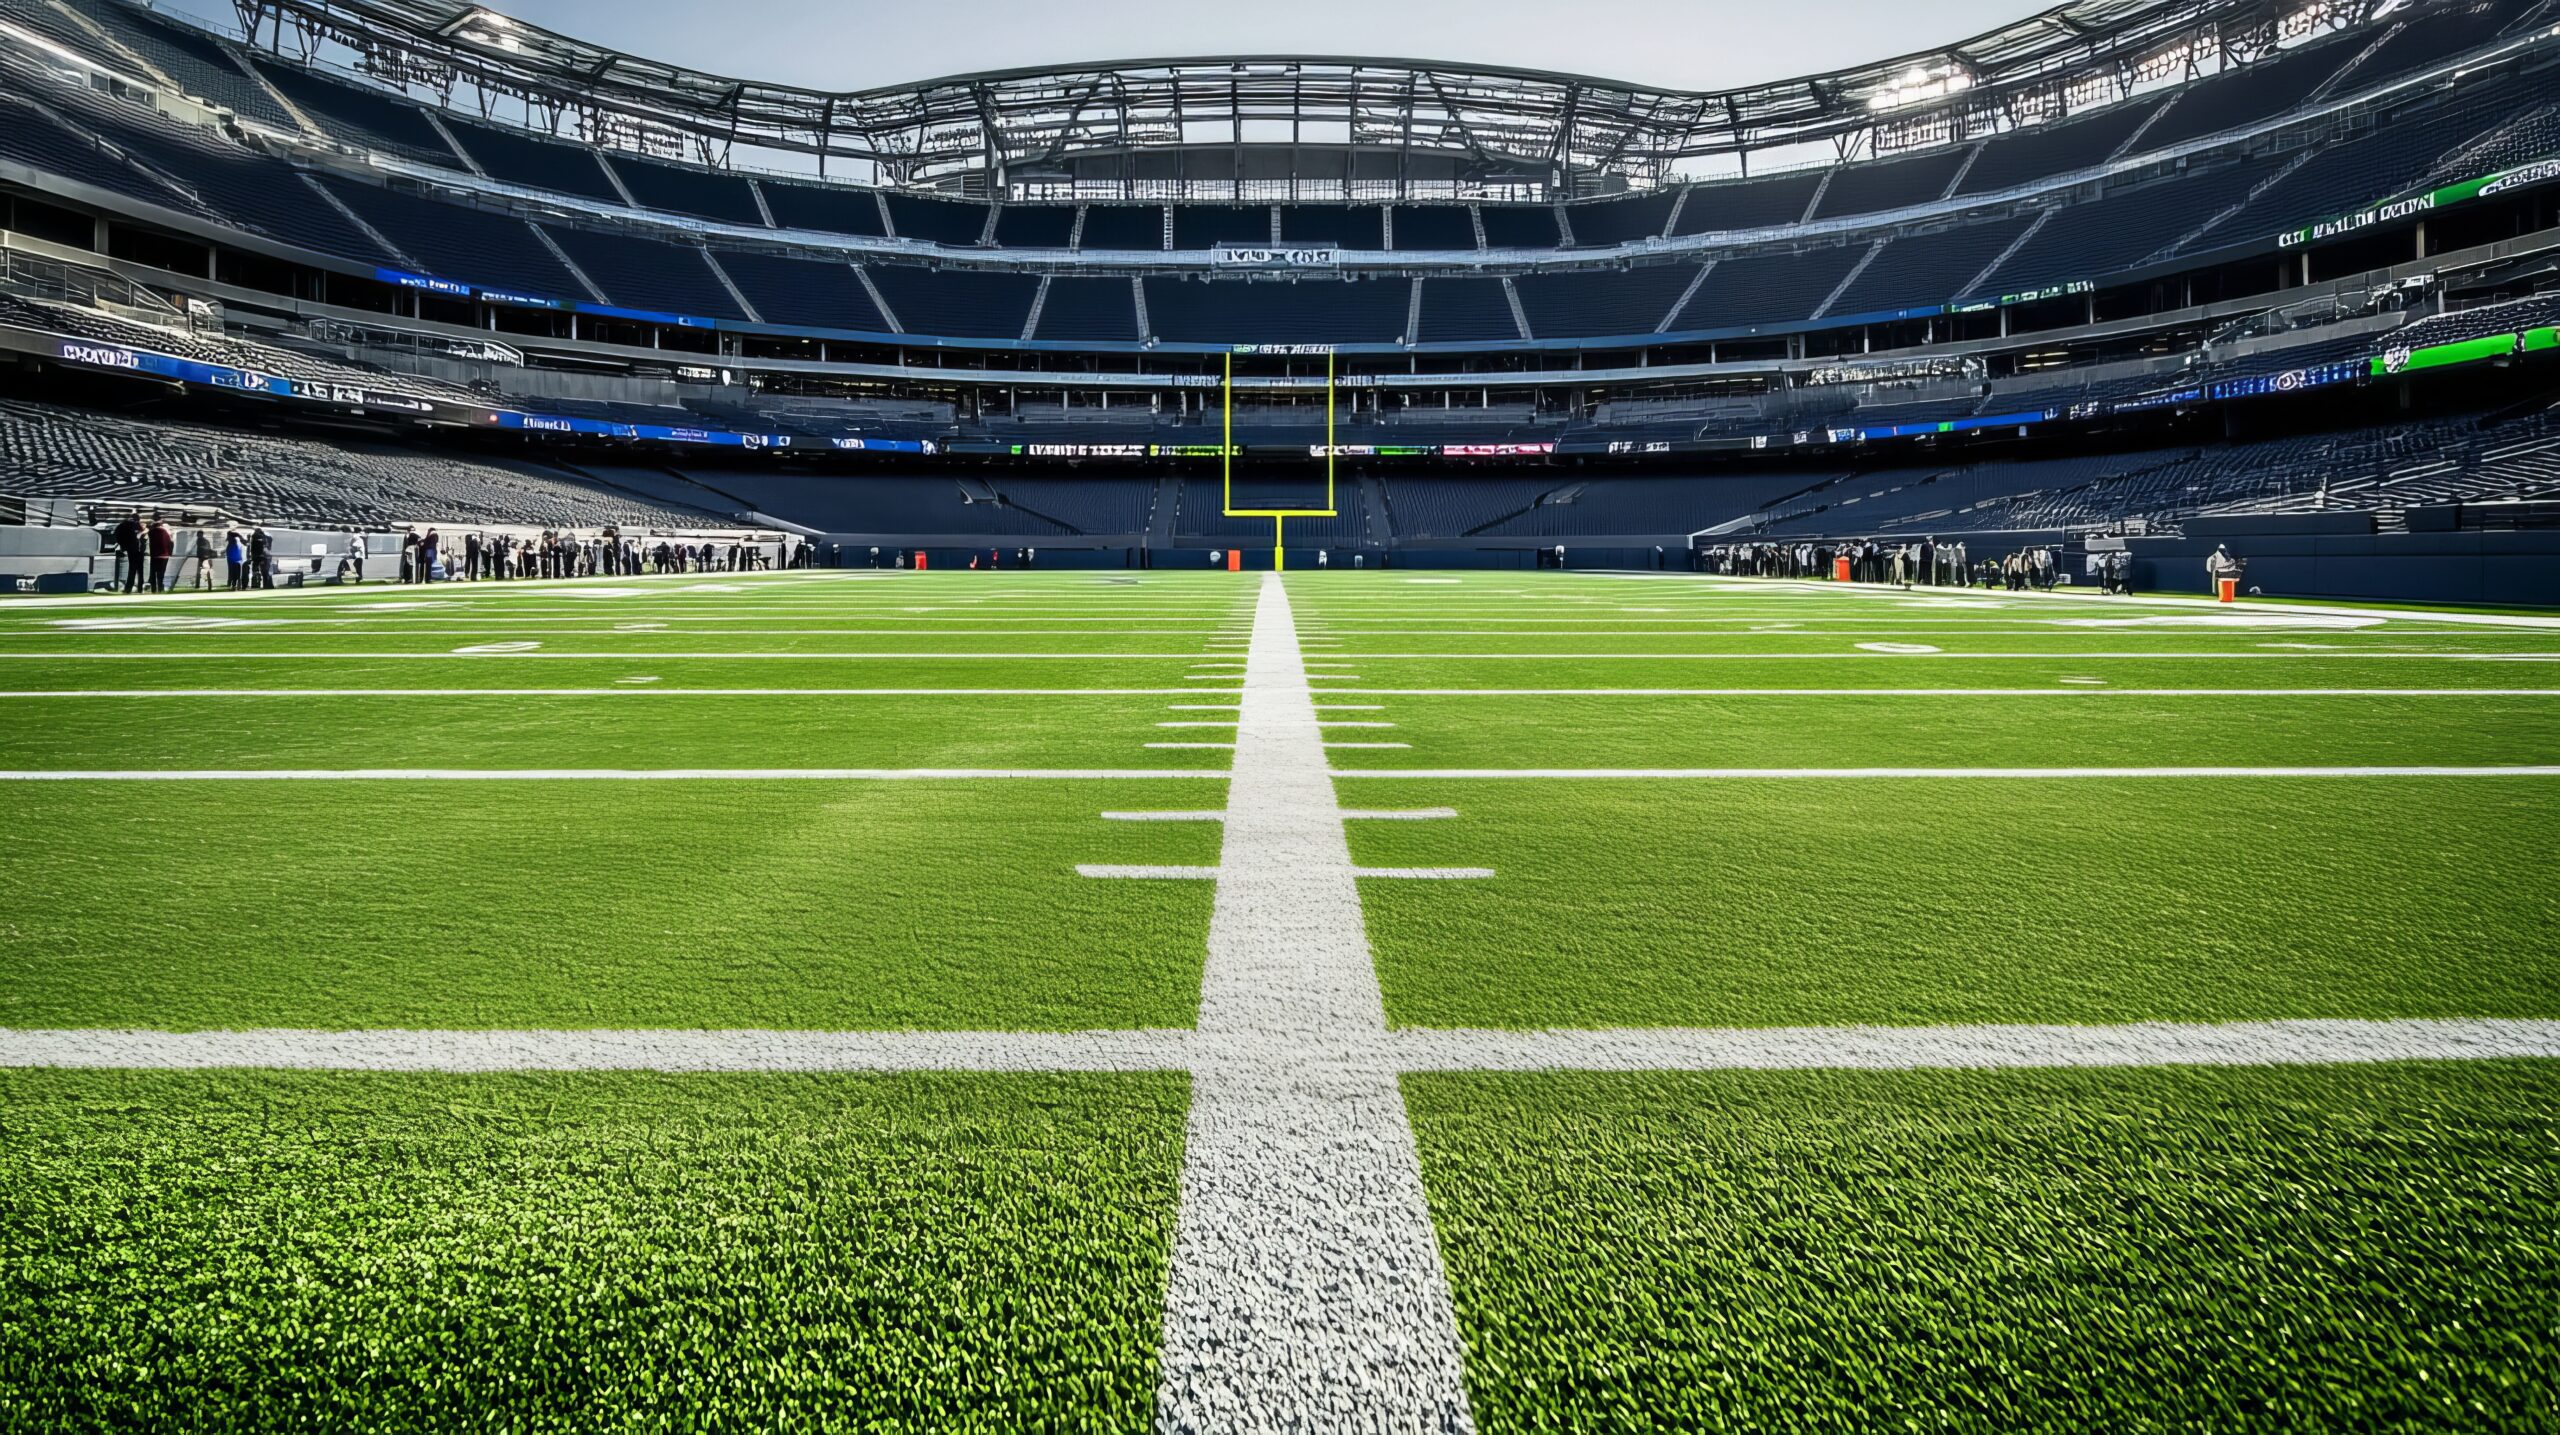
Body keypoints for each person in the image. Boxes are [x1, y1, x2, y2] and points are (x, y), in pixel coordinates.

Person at [111, 513, 145, 595]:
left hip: (129, 548)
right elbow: (141, 532)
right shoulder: (135, 525)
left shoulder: (122, 525)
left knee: (132, 569)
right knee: (139, 569)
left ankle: (128, 588)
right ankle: (139, 588)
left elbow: (116, 535)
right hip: (137, 549)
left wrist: (123, 546)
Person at [147, 515, 173, 594]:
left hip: (154, 555)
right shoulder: (165, 532)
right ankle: (160, 588)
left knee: (153, 572)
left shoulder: (151, 532)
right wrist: (170, 552)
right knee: (161, 573)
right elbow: (170, 542)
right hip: (164, 555)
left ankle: (153, 589)